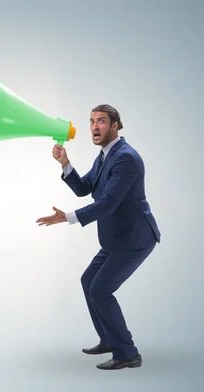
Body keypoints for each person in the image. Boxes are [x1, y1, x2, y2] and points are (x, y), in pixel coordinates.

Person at [36, 104, 160, 370]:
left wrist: (66, 217)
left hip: (134, 240)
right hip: (116, 240)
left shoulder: (126, 157)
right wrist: (65, 164)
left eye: (101, 121)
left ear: (115, 125)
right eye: (92, 121)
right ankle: (108, 339)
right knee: (88, 280)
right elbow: (84, 189)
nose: (94, 126)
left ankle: (127, 354)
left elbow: (107, 204)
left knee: (100, 290)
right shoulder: (105, 156)